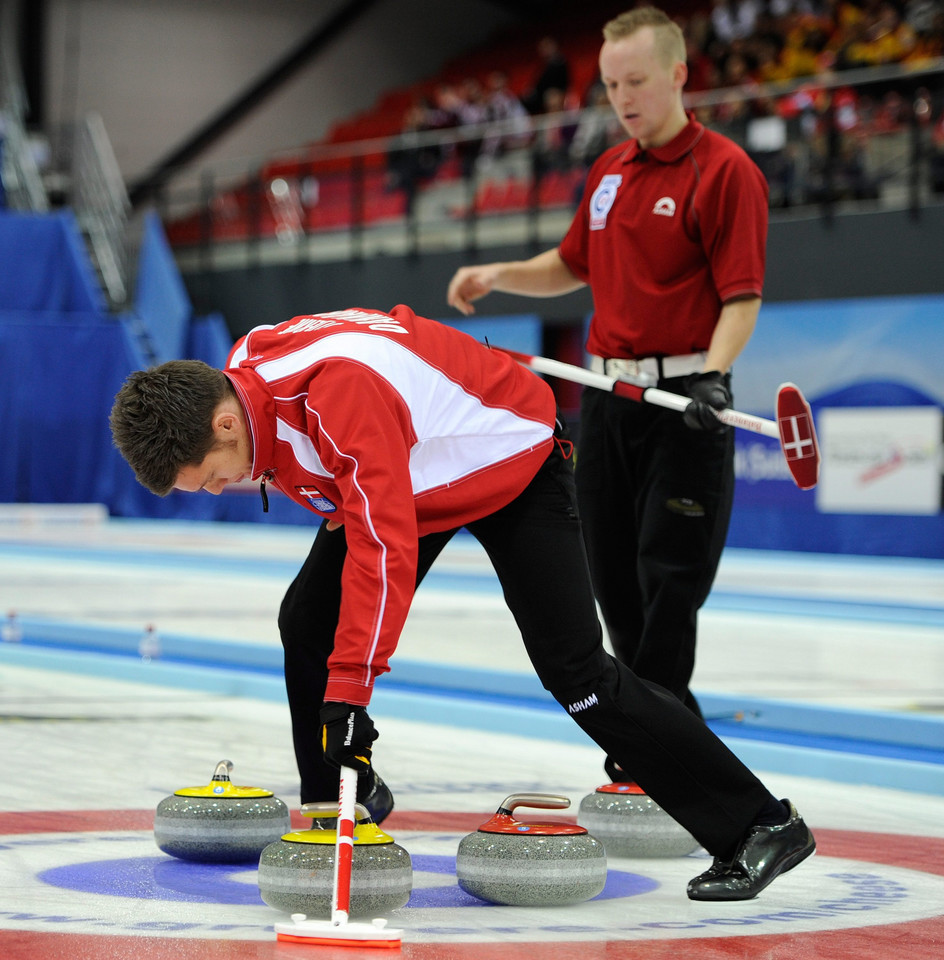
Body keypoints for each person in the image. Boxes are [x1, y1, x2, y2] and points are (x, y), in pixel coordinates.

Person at [110, 304, 815, 902]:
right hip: (418, 465)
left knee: (579, 677)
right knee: (307, 618)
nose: (210, 490)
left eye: (203, 478)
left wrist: (350, 695)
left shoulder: (333, 395)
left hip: (510, 458)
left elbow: (384, 544)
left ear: (225, 425)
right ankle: (338, 807)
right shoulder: (241, 370)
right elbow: (386, 354)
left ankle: (759, 825)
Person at [446, 6, 769, 772]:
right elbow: (572, 266)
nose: (622, 98)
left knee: (670, 576)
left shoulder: (726, 172)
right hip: (606, 398)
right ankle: (666, 731)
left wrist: (715, 377)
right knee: (610, 571)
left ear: (680, 73)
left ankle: (651, 743)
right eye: (610, 84)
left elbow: (742, 297)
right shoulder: (609, 173)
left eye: (636, 81)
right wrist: (501, 276)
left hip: (687, 399)